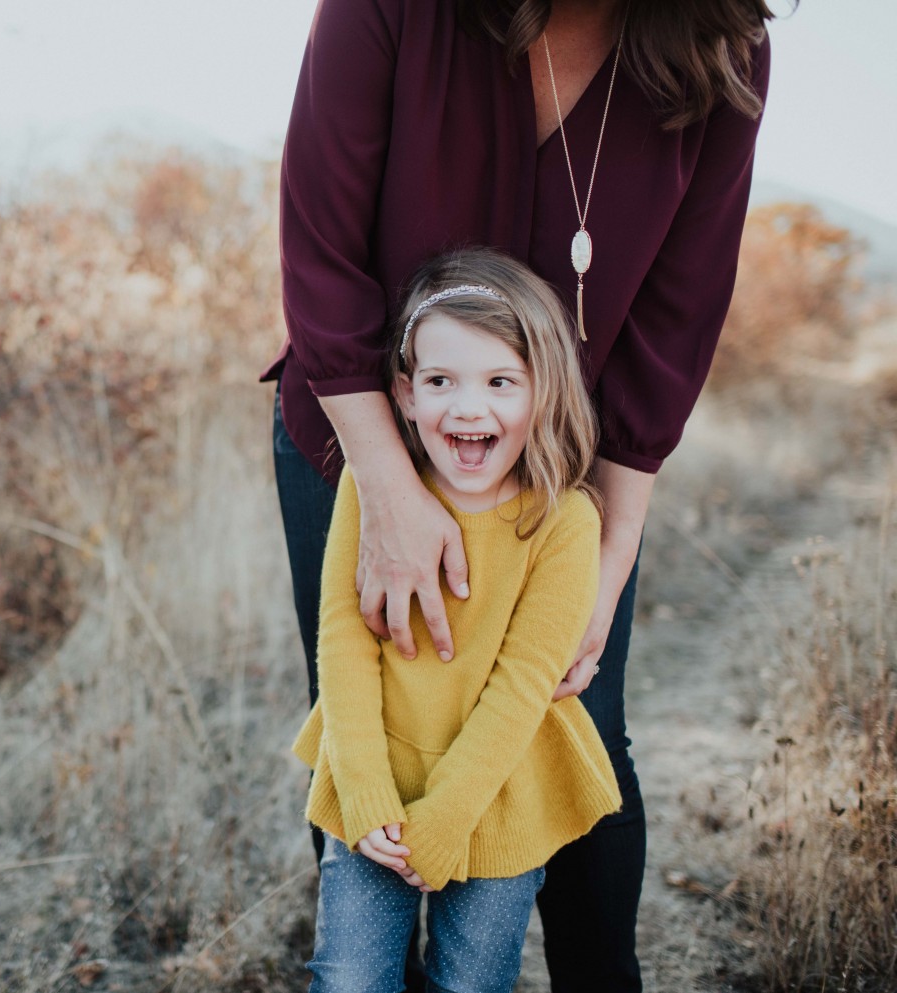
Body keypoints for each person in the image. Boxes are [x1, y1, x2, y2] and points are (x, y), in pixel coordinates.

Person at [267, 1, 777, 988]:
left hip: (559, 481)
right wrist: (387, 494)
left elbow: (680, 309)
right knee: (374, 719)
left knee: (578, 729)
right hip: (363, 428)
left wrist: (615, 540)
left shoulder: (724, 48)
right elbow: (319, 249)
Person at [293, 247, 622, 993]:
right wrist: (369, 793)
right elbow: (343, 641)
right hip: (374, 784)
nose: (469, 408)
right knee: (348, 976)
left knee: (472, 982)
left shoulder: (564, 521)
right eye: (442, 381)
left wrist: (447, 819)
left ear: (542, 393)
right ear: (405, 395)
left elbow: (524, 685)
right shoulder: (371, 488)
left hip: (498, 795)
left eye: (501, 382)